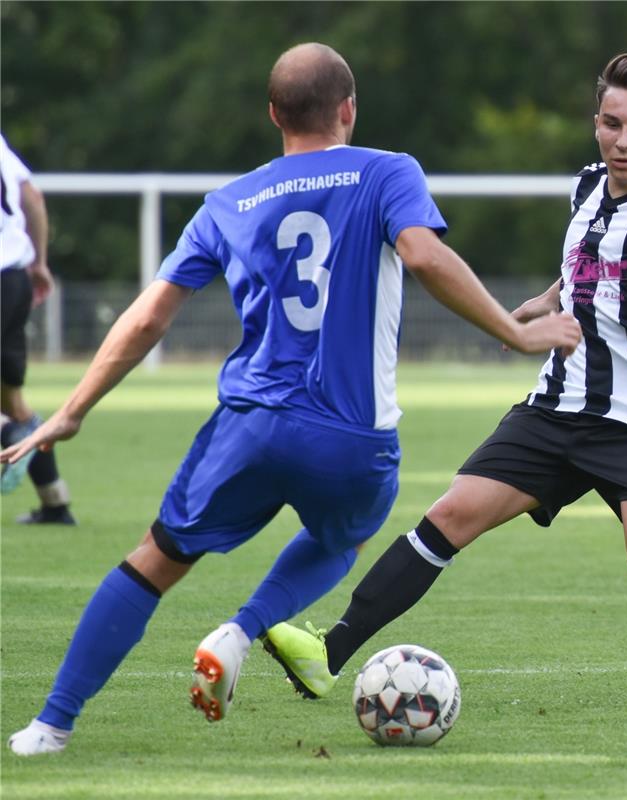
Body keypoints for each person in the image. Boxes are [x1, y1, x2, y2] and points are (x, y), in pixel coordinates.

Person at [2, 42, 581, 756]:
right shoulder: (386, 171)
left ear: (273, 114)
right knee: (346, 535)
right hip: (349, 435)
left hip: (248, 424)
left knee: (155, 558)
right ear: (349, 109)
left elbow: (149, 316)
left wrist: (73, 409)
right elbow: (425, 256)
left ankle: (48, 725)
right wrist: (517, 334)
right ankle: (242, 629)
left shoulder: (230, 200)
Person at [262, 53, 627, 709]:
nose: (623, 139)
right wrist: (543, 301)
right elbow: (588, 268)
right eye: (611, 123)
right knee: (448, 517)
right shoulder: (587, 186)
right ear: (595, 124)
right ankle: (327, 654)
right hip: (557, 405)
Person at [0, 133, 77, 524]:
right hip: (13, 278)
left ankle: (9, 435)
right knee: (10, 399)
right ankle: (55, 503)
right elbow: (32, 196)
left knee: (8, 412)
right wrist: (39, 261)